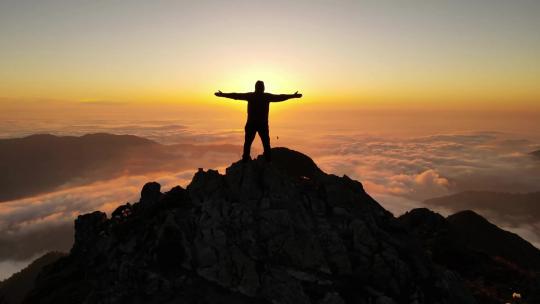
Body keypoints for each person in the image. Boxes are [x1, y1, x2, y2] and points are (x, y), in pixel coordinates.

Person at [215, 80, 302, 162]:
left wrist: (222, 95)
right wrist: (293, 96)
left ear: (255, 88)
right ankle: (267, 161)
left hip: (251, 124)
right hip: (262, 125)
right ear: (263, 88)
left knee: (248, 143)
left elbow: (236, 95)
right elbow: (280, 97)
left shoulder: (251, 96)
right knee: (265, 144)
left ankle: (245, 160)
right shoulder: (266, 96)